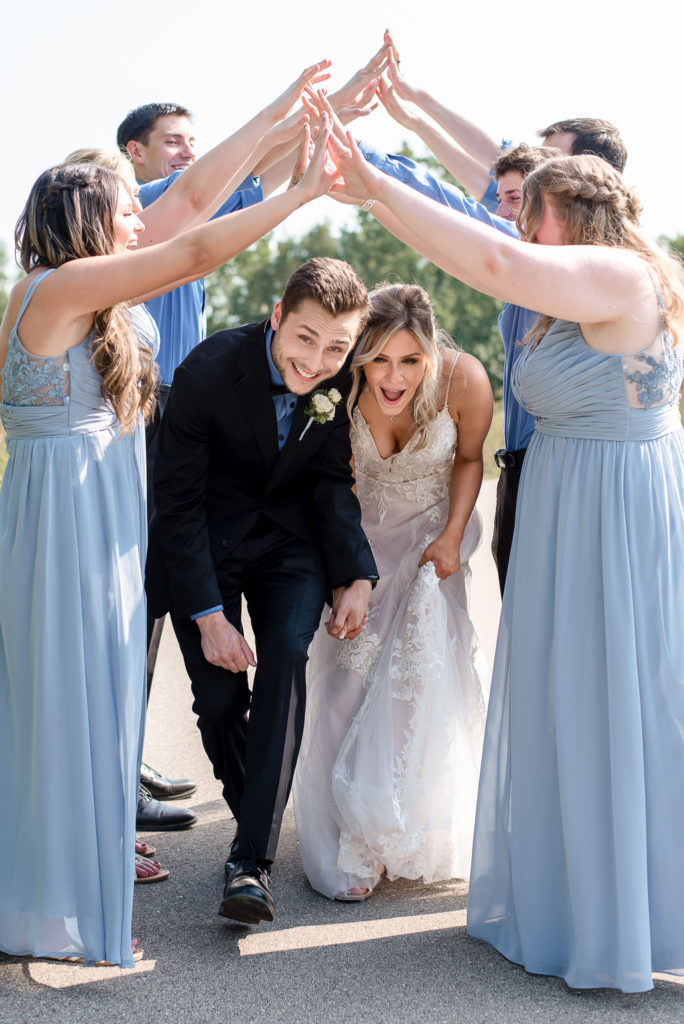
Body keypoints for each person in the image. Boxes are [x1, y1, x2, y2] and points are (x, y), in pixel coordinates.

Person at [331, 136, 684, 992]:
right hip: (576, 496)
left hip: (610, 506)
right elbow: (492, 248)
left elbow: (487, 257)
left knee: (611, 694)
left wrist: (376, 186)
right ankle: (572, 893)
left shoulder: (622, 277)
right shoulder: (583, 288)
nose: (519, 224)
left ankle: (622, 915)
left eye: (531, 210)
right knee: (571, 696)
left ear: (566, 212)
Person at [0, 108, 338, 967]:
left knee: (96, 702)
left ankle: (66, 893)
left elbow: (186, 206)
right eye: (123, 210)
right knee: (61, 702)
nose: (137, 221)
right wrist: (299, 192)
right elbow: (189, 248)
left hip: (106, 508)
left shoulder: (90, 295)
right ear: (85, 220)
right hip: (67, 515)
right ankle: (48, 902)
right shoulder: (54, 287)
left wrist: (280, 118)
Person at [146, 257, 379, 927]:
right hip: (206, 548)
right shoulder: (206, 372)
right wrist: (210, 616)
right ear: (278, 318)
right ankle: (263, 813)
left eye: (337, 346)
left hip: (289, 547)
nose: (318, 361)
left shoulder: (338, 382)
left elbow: (332, 482)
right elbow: (178, 504)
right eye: (305, 338)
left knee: (285, 657)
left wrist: (353, 573)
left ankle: (250, 864)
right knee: (219, 700)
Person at [293, 283, 492, 901]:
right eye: (380, 359)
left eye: (410, 361)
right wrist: (347, 570)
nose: (395, 376)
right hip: (361, 535)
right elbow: (327, 482)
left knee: (415, 681)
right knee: (345, 677)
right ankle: (345, 837)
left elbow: (467, 459)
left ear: (430, 354)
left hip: (436, 531)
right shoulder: (340, 389)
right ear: (360, 355)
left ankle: (400, 831)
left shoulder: (464, 379)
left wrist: (454, 533)